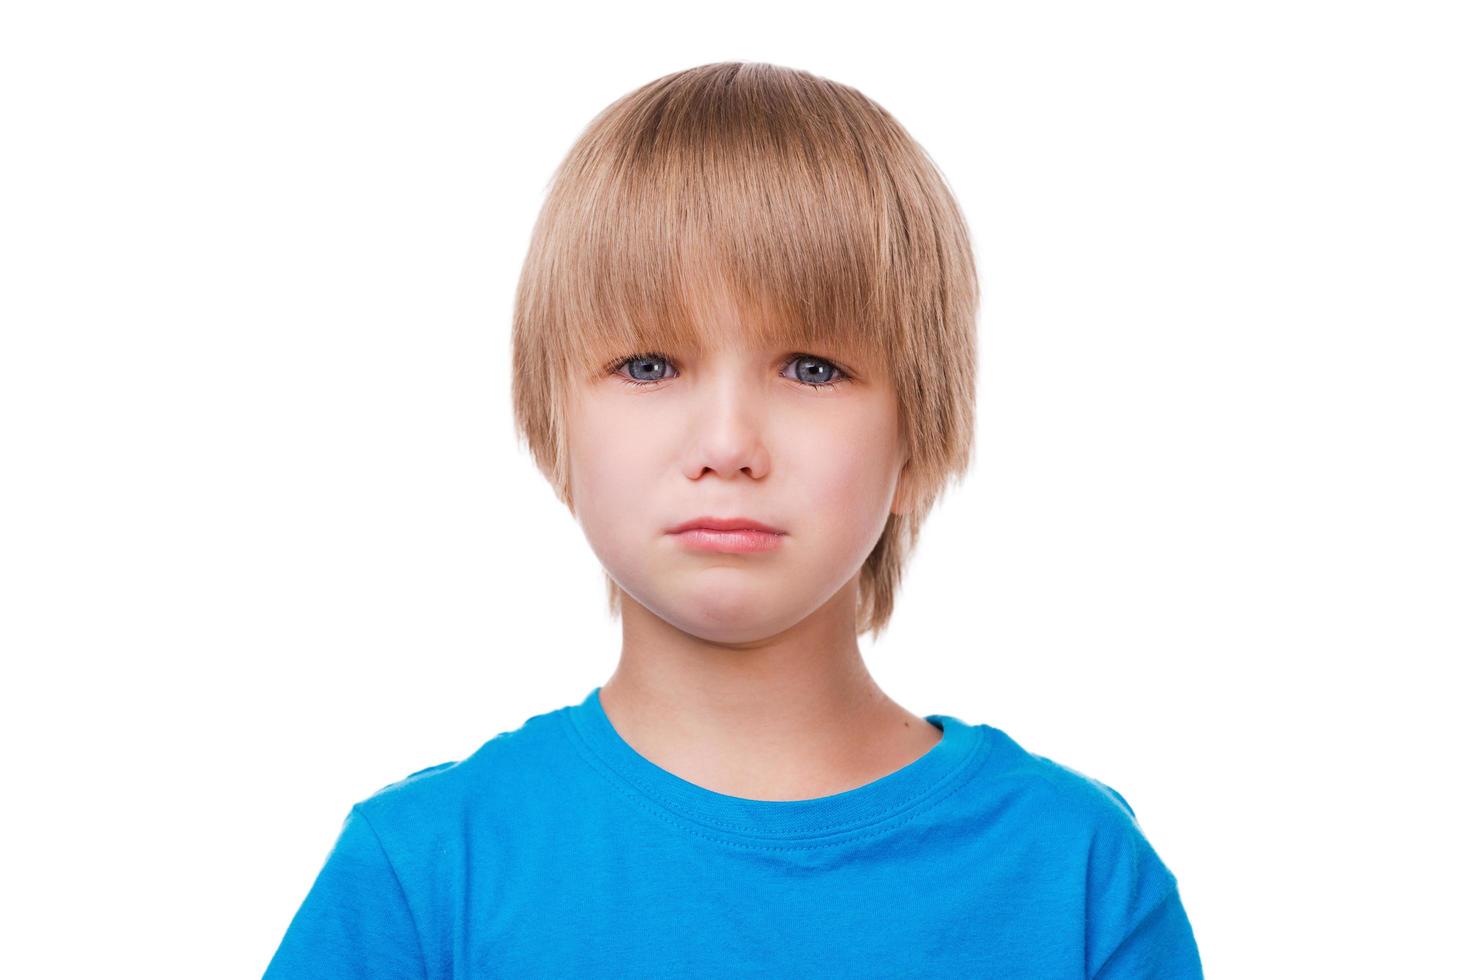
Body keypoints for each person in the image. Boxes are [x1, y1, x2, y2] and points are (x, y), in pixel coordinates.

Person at [263, 61, 1204, 978]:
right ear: (552, 434)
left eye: (810, 368)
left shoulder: (1076, 875)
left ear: (918, 439)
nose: (726, 443)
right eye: (647, 366)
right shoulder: (424, 874)